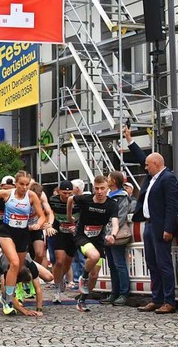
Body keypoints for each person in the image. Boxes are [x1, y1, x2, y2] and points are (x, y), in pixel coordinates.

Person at [0, 171, 45, 316]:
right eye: (21, 184)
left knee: (18, 268)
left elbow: (42, 215)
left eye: (27, 185)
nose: (24, 188)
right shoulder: (7, 194)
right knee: (13, 263)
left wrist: (38, 224)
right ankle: (6, 298)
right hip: (6, 232)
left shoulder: (31, 196)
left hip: (22, 234)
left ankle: (7, 296)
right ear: (16, 184)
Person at [125, 127, 178, 314]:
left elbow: (172, 205)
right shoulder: (153, 177)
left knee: (163, 264)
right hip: (148, 224)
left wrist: (168, 228)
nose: (145, 167)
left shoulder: (167, 178)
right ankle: (157, 299)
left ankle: (169, 301)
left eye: (148, 165)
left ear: (155, 163)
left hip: (160, 226)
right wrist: (130, 141)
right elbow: (142, 159)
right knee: (152, 263)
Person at [67, 175, 119, 312]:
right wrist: (70, 217)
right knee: (94, 256)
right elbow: (70, 199)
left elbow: (115, 223)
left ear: (108, 188)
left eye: (103, 188)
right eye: (97, 189)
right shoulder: (85, 199)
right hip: (82, 236)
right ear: (93, 188)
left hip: (98, 240)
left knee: (95, 275)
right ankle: (83, 277)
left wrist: (113, 235)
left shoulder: (112, 204)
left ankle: (82, 300)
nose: (100, 192)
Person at [99, 171, 132, 306]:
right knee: (112, 265)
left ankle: (123, 293)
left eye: (109, 178)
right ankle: (115, 292)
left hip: (115, 233)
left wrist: (111, 230)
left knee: (119, 264)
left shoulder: (122, 196)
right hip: (106, 233)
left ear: (114, 181)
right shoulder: (108, 195)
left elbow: (121, 216)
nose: (107, 179)